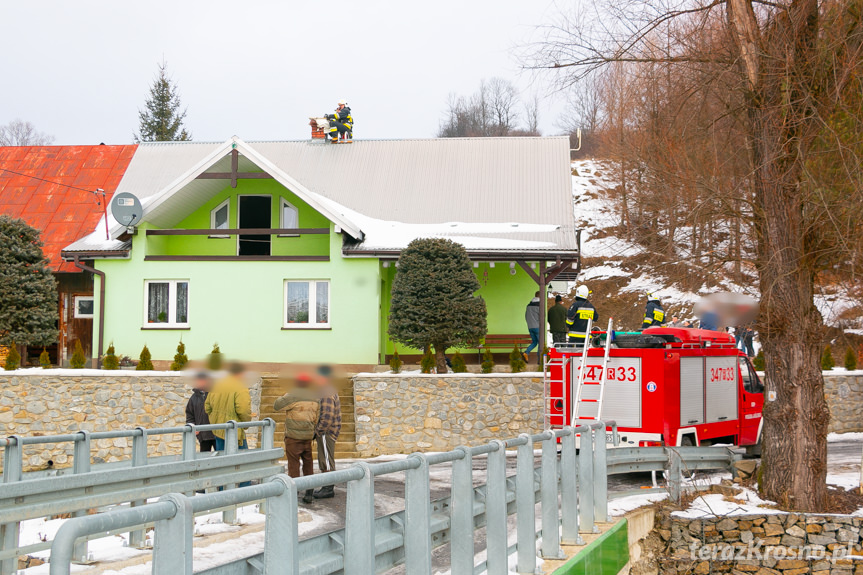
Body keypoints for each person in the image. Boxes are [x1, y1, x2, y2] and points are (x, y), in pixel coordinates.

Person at [273, 373, 320, 504]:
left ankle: (293, 490)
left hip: (293, 436)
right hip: (308, 436)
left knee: (294, 464)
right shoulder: (314, 396)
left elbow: (276, 405)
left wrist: (286, 394)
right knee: (308, 462)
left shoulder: (293, 395)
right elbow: (318, 414)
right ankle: (309, 490)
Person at [204, 362, 252, 452]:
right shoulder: (240, 387)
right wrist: (245, 424)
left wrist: (216, 420)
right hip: (234, 432)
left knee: (223, 462)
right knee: (242, 462)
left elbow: (207, 407)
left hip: (218, 430)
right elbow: (243, 410)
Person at [313, 365, 341, 499]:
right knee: (325, 458)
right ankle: (327, 486)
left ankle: (328, 488)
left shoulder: (326, 392)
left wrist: (318, 431)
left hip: (326, 432)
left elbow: (327, 416)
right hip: (327, 432)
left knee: (326, 460)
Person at [185, 371, 216, 452]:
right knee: (204, 460)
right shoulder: (193, 398)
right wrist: (194, 427)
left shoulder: (214, 394)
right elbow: (189, 415)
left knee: (221, 457)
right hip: (203, 435)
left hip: (216, 433)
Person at [524, 291, 541, 361]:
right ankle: (539, 358)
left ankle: (526, 352)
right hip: (537, 327)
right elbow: (541, 316)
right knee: (540, 343)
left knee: (534, 342)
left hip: (530, 327)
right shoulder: (539, 305)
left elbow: (526, 316)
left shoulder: (528, 305)